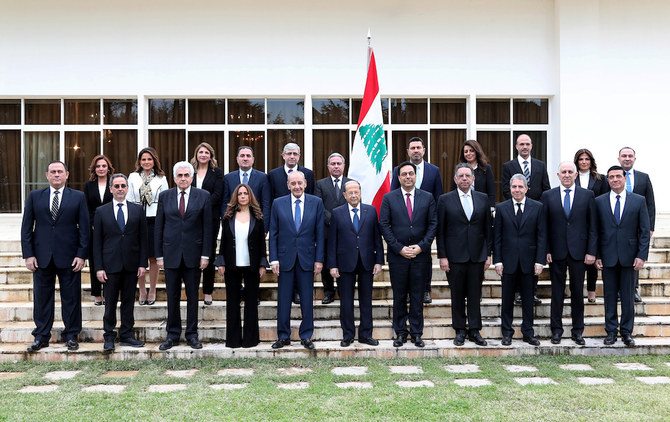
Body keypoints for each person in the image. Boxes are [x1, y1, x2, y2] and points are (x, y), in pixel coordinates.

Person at [21, 160, 89, 351]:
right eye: (53, 172)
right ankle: (41, 336)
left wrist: (81, 255)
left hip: (69, 257)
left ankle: (72, 335)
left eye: (60, 171)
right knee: (42, 298)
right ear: (47, 175)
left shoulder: (78, 197)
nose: (57, 175)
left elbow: (84, 229)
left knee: (72, 298)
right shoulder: (35, 196)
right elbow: (26, 228)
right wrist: (28, 255)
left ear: (67, 174)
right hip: (41, 257)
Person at [155, 162, 212, 350]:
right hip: (170, 255)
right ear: (174, 178)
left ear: (192, 177)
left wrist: (205, 255)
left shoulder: (203, 196)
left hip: (194, 255)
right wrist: (159, 255)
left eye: (186, 175)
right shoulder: (165, 196)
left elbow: (207, 229)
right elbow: (159, 227)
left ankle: (192, 334)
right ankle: (172, 335)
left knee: (193, 296)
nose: (183, 178)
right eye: (179, 175)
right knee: (172, 296)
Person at [380, 161, 437, 348]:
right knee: (399, 296)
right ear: (398, 177)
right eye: (404, 174)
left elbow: (433, 224)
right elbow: (384, 225)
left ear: (415, 176)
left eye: (410, 174)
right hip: (398, 257)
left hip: (421, 257)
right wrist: (399, 248)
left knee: (417, 296)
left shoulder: (427, 197)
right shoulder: (389, 198)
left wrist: (421, 246)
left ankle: (416, 333)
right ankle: (400, 333)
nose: (407, 177)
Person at [540, 161, 597, 346]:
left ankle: (577, 331)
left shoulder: (587, 195)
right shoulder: (547, 196)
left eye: (570, 172)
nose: (566, 175)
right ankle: (556, 331)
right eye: (563, 172)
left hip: (579, 253)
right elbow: (543, 227)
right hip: (556, 252)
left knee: (577, 293)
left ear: (575, 175)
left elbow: (592, 227)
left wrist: (591, 251)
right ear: (558, 175)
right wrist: (545, 250)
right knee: (556, 292)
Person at [437, 163, 492, 347]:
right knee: (458, 294)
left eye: (468, 175)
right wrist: (442, 256)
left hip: (477, 256)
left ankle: (475, 330)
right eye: (460, 176)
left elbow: (487, 230)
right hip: (454, 257)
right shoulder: (445, 200)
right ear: (455, 179)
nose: (464, 179)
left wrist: (488, 254)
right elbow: (441, 231)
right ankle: (460, 330)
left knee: (475, 294)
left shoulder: (483, 199)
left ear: (473, 178)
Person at [269, 171, 324, 350]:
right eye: (293, 183)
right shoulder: (278, 203)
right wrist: (274, 259)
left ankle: (306, 335)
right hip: (285, 259)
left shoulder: (316, 203)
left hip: (307, 259)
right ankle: (283, 336)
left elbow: (320, 234)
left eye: (300, 183)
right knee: (283, 300)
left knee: (307, 299)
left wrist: (319, 259)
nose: (297, 186)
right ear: (288, 185)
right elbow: (274, 233)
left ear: (306, 183)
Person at [595, 166, 650, 346]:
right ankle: (611, 332)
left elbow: (644, 231)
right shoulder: (599, 201)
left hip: (630, 257)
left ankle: (627, 332)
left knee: (627, 297)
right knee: (609, 297)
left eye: (618, 176)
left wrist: (641, 256)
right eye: (611, 177)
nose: (615, 179)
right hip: (608, 256)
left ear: (625, 178)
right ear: (608, 180)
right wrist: (596, 255)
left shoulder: (639, 200)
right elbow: (595, 231)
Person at [93, 173, 148, 351]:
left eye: (123, 186)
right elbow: (97, 242)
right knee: (109, 303)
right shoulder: (101, 212)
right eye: (116, 186)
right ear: (111, 189)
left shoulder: (137, 210)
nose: (120, 189)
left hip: (131, 265)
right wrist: (99, 267)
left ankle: (126, 334)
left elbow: (142, 239)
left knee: (128, 301)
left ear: (127, 188)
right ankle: (109, 336)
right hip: (110, 266)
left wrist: (142, 264)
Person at [328, 180, 384, 347]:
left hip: (367, 262)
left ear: (360, 193)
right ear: (344, 195)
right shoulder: (337, 213)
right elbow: (332, 241)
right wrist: (332, 265)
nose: (353, 195)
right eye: (350, 192)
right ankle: (348, 335)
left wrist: (379, 261)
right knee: (346, 301)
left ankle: (366, 334)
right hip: (344, 263)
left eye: (356, 192)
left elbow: (377, 238)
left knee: (366, 300)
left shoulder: (371, 211)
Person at [494, 174, 547, 347]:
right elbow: (498, 237)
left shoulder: (538, 207)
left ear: (526, 189)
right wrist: (498, 261)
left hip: (529, 262)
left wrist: (540, 261)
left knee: (528, 299)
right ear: (510, 189)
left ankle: (528, 332)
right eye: (514, 187)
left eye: (520, 187)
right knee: (507, 299)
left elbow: (541, 236)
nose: (517, 190)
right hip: (508, 262)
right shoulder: (501, 208)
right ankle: (507, 333)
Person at [390, 137, 442, 303]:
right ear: (408, 151)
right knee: (404, 263)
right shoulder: (399, 170)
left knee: (425, 258)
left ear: (424, 150)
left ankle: (426, 289)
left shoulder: (434, 170)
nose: (416, 150)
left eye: (419, 147)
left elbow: (438, 196)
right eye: (412, 148)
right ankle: (405, 292)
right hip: (404, 222)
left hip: (425, 223)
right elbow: (393, 195)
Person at [215, 184, 267, 348]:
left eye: (245, 193)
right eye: (240, 194)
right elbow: (223, 242)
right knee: (232, 302)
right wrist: (221, 261)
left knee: (251, 302)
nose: (243, 196)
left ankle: (251, 340)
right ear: (235, 197)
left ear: (250, 196)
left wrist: (262, 264)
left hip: (252, 265)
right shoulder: (228, 217)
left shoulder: (258, 217)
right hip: (232, 265)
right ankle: (233, 340)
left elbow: (261, 244)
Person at [501, 134, 550, 304]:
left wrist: (535, 207)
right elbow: (506, 189)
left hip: (535, 214)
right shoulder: (508, 166)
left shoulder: (540, 165)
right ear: (516, 146)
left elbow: (546, 188)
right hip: (515, 212)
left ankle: (531, 292)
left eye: (527, 144)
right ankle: (516, 293)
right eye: (521, 144)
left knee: (532, 253)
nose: (524, 147)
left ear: (531, 146)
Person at [267, 142, 316, 305]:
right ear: (283, 155)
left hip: (302, 225)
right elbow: (269, 199)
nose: (292, 156)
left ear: (299, 156)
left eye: (295, 153)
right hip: (283, 226)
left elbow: (312, 199)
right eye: (289, 153)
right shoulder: (273, 174)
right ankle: (290, 293)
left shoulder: (308, 174)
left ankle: (298, 293)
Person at [127, 147, 169, 305]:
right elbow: (130, 198)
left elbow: (165, 200)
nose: (146, 162)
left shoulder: (161, 178)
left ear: (154, 161)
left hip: (155, 219)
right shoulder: (132, 177)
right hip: (137, 219)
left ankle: (152, 290)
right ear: (139, 161)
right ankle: (142, 290)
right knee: (139, 257)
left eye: (149, 159)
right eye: (143, 159)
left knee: (153, 257)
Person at [618, 147, 655, 303]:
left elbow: (650, 203)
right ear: (619, 158)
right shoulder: (612, 177)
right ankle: (619, 290)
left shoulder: (643, 178)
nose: (627, 158)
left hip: (638, 225)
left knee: (636, 257)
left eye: (630, 156)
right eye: (624, 156)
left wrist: (650, 226)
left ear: (634, 159)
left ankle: (633, 290)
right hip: (618, 225)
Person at [190, 142, 224, 306]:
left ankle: (208, 292)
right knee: (193, 253)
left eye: (206, 152)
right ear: (196, 154)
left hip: (210, 217)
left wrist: (201, 206)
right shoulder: (189, 171)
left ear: (211, 155)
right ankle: (193, 289)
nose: (203, 155)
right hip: (190, 218)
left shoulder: (216, 172)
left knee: (208, 253)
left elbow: (218, 193)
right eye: (200, 152)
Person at [574, 148, 609, 302]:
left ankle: (591, 291)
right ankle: (576, 290)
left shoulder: (600, 179)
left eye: (587, 159)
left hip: (595, 220)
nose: (584, 162)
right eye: (581, 159)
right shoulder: (572, 177)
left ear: (591, 161)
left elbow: (605, 199)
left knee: (593, 257)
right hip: (576, 222)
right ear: (577, 162)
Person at [314, 152, 351, 304]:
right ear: (328, 166)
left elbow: (354, 204)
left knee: (344, 262)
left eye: (339, 164)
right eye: (333, 164)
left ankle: (343, 291)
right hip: (327, 231)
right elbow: (319, 206)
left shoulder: (352, 183)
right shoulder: (320, 184)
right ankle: (328, 292)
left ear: (343, 166)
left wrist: (342, 221)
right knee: (327, 261)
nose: (336, 166)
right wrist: (334, 219)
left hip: (347, 231)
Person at [83, 155, 114, 306]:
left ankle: (110, 292)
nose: (101, 169)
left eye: (103, 166)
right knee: (95, 260)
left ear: (108, 168)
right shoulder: (89, 186)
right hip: (93, 228)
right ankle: (96, 294)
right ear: (94, 169)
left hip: (111, 227)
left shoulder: (114, 184)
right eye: (98, 166)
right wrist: (92, 224)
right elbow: (86, 207)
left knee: (110, 260)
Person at [223, 146, 271, 232]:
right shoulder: (228, 178)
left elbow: (266, 204)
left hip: (256, 224)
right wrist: (226, 225)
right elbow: (225, 203)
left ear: (253, 159)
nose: (245, 158)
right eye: (242, 156)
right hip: (234, 224)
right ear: (237, 159)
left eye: (248, 156)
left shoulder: (263, 178)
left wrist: (264, 228)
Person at [450, 140, 496, 209]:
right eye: (466, 152)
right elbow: (453, 190)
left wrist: (491, 208)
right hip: (462, 206)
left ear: (477, 151)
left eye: (471, 150)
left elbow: (491, 191)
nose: (468, 153)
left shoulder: (486, 168)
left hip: (481, 207)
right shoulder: (459, 169)